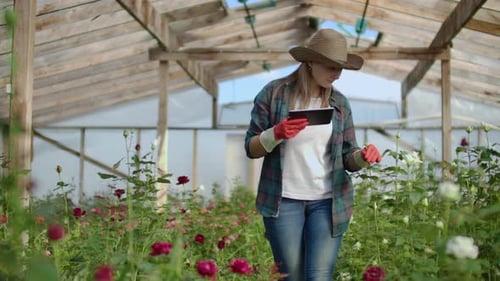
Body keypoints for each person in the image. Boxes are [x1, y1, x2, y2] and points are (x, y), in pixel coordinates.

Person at [244, 28, 382, 281]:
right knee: (291, 277)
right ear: (309, 62)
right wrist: (275, 133)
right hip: (283, 201)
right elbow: (250, 148)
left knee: (319, 277)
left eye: (340, 67)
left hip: (328, 203)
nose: (337, 74)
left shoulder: (340, 104)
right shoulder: (273, 94)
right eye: (330, 66)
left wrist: (363, 156)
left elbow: (348, 156)